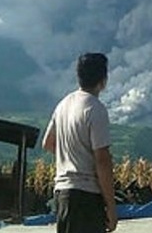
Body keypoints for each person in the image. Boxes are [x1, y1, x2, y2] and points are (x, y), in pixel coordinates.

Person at [42, 53, 118, 233]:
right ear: (103, 80)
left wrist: (71, 157)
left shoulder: (63, 105)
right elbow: (102, 160)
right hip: (86, 197)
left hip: (62, 194)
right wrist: (112, 206)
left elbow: (47, 143)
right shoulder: (95, 108)